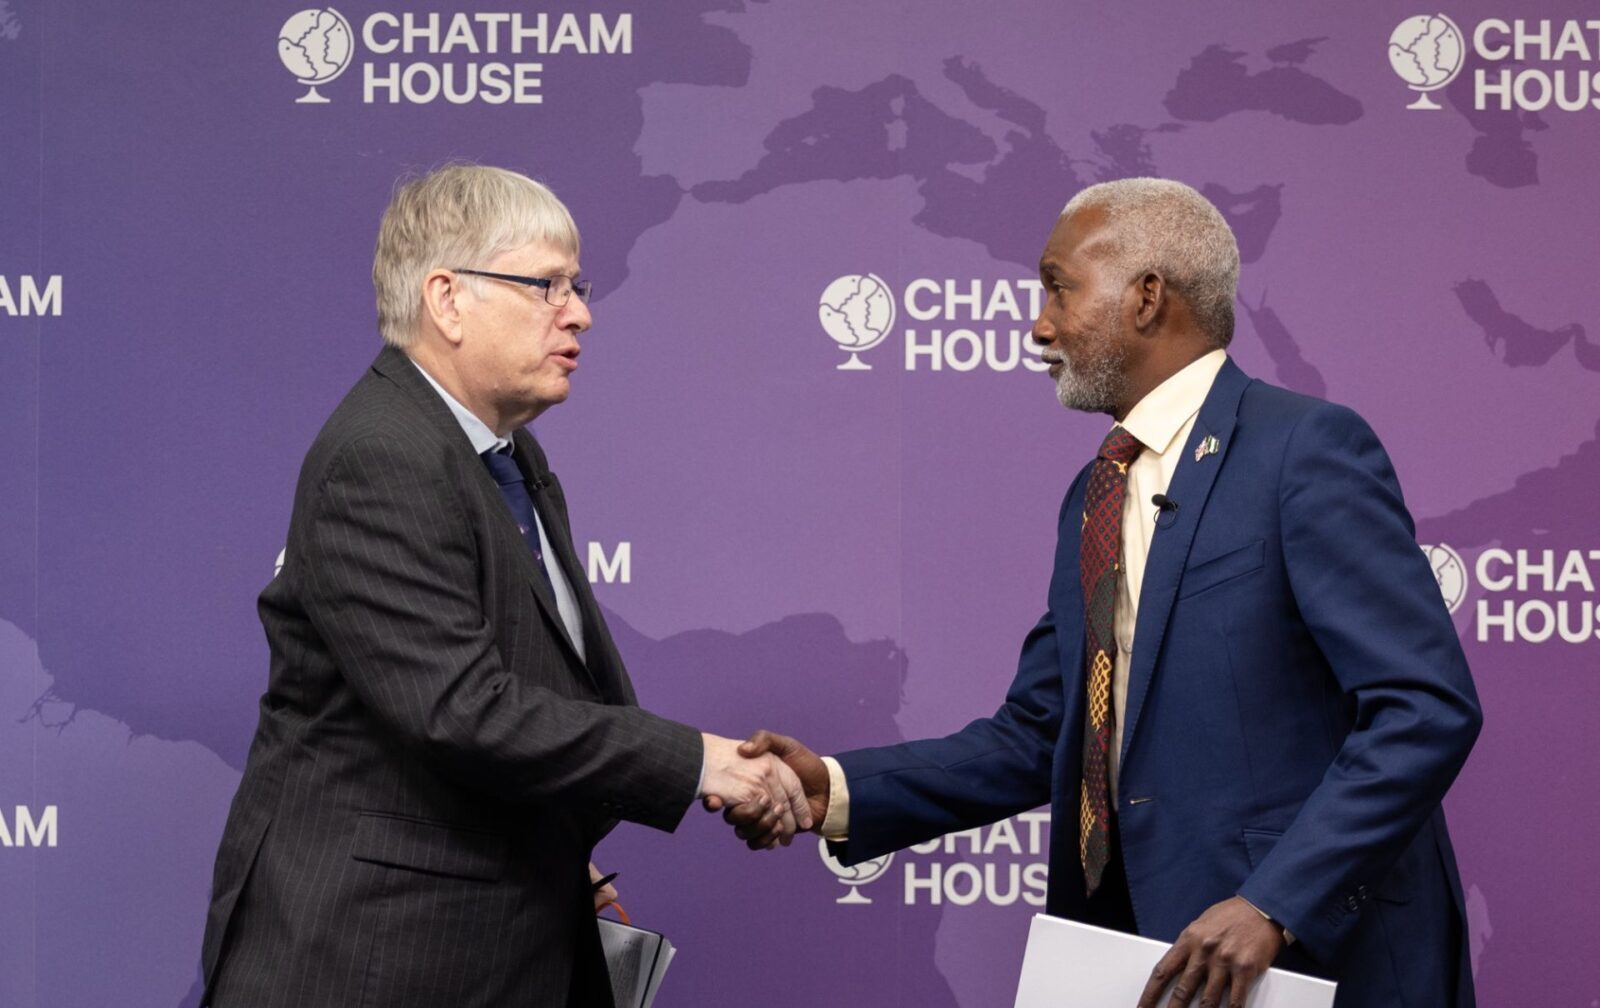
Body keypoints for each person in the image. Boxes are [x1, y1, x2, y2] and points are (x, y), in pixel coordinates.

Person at [722, 179, 1482, 1008]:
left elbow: (1424, 708)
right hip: (1142, 962)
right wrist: (836, 789)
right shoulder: (1096, 493)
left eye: (1059, 287)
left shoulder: (1305, 449)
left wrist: (1275, 902)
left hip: (1315, 966)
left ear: (1147, 297)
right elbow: (1042, 732)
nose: (1039, 324)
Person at [199, 164, 809, 1008]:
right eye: (546, 285)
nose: (580, 312)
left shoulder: (505, 453)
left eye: (577, 286)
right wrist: (698, 761)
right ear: (447, 299)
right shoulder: (383, 455)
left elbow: (536, 683)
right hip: (378, 958)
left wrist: (558, 849)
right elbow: (461, 710)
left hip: (496, 936)